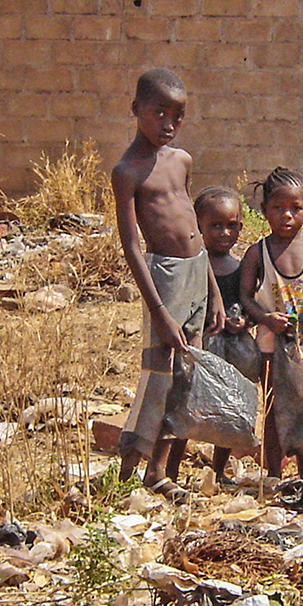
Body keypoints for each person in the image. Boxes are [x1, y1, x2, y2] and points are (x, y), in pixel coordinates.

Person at [112, 68, 224, 503]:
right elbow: (132, 246)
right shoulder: (128, 171)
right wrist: (159, 311)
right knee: (158, 376)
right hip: (166, 280)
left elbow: (195, 230)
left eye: (178, 116)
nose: (169, 124)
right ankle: (125, 472)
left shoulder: (181, 161)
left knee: (187, 374)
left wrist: (213, 290)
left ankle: (157, 472)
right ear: (135, 109)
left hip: (197, 272)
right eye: (159, 112)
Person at [239, 167, 303, 479]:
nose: (286, 216)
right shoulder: (258, 253)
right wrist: (265, 318)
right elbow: (246, 298)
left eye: (295, 208)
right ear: (264, 210)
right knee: (271, 412)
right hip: (269, 347)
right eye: (277, 208)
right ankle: (273, 477)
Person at [194, 186, 249, 484]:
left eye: (231, 225)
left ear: (241, 227)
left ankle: (218, 470)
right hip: (199, 348)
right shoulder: (194, 265)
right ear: (198, 225)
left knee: (230, 409)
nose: (224, 232)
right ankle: (171, 470)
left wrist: (243, 321)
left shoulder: (241, 268)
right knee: (188, 408)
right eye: (215, 225)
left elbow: (249, 302)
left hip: (231, 350)